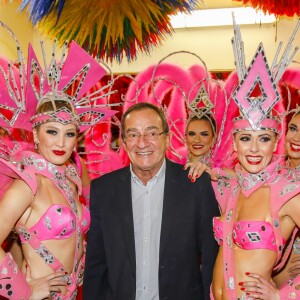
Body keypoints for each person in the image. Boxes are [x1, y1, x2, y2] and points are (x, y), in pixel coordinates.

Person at [0, 22, 116, 299]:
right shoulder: (27, 185)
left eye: (69, 134)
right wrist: (23, 291)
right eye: (52, 132)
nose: (61, 142)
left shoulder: (71, 180)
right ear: (36, 135)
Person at [83, 102, 220, 300]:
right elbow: (96, 265)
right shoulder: (104, 190)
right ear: (123, 141)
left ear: (167, 138)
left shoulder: (195, 186)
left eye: (152, 133)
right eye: (133, 134)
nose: (142, 143)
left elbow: (211, 260)